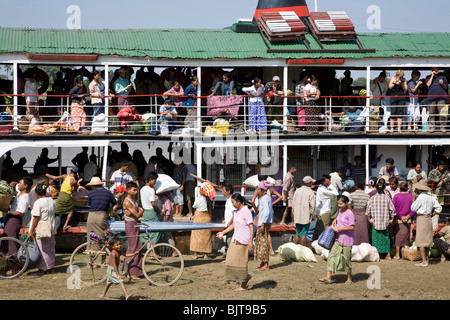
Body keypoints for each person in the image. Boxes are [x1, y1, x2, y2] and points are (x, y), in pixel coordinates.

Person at [216, 193, 253, 291]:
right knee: (230, 259)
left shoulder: (246, 211)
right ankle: (245, 276)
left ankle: (243, 285)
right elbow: (233, 225)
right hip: (235, 238)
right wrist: (223, 232)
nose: (232, 204)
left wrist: (250, 242)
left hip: (244, 240)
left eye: (233, 202)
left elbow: (251, 227)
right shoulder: (236, 211)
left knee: (241, 263)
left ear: (239, 202)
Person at [319, 195, 355, 285]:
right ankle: (328, 277)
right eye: (338, 204)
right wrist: (335, 220)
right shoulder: (340, 211)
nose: (339, 205)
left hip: (347, 239)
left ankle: (349, 278)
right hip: (337, 238)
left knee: (346, 259)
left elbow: (352, 227)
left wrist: (339, 229)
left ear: (346, 203)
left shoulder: (350, 213)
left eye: (341, 204)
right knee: (331, 255)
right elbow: (339, 218)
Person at [2, 176, 32, 275]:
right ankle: (15, 264)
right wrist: (13, 183)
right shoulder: (20, 193)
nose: (19, 184)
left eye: (20, 183)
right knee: (8, 240)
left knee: (11, 242)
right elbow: (13, 185)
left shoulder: (25, 197)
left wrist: (8, 211)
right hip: (10, 219)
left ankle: (15, 267)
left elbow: (20, 213)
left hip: (15, 220)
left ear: (26, 186)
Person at [27, 183, 57, 275]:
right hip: (51, 227)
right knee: (50, 249)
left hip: (42, 228)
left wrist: (31, 231)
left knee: (41, 249)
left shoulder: (38, 202)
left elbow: (36, 218)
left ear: (36, 193)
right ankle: (50, 268)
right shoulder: (51, 200)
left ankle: (42, 269)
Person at [411, 179, 442, 267]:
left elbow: (413, 208)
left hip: (421, 218)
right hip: (428, 218)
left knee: (421, 240)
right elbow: (439, 208)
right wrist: (433, 214)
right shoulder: (431, 197)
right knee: (427, 240)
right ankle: (426, 259)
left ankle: (424, 261)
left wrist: (414, 198)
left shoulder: (420, 197)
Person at [366, 181, 396, 259]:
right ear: (384, 188)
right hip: (385, 222)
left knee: (375, 239)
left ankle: (376, 255)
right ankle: (388, 255)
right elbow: (392, 210)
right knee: (386, 239)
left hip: (375, 222)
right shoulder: (387, 198)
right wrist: (392, 219)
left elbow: (367, 211)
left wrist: (369, 219)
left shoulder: (372, 198)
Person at [86, 177, 117, 251]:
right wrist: (108, 212)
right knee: (101, 236)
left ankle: (92, 256)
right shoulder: (108, 193)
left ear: (93, 186)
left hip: (91, 216)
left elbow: (89, 205)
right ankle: (102, 256)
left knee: (91, 236)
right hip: (102, 215)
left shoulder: (90, 193)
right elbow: (115, 205)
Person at [122, 181, 144, 279]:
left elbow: (138, 213)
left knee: (137, 247)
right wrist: (140, 211)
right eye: (134, 190)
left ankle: (136, 271)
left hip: (135, 224)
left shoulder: (134, 200)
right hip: (131, 225)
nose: (136, 191)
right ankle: (130, 272)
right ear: (128, 190)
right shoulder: (127, 201)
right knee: (133, 248)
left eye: (136, 189)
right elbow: (137, 214)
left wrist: (139, 211)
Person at [190, 182, 214, 259]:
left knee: (196, 235)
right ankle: (205, 254)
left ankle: (195, 254)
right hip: (207, 218)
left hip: (198, 217)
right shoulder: (210, 200)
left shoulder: (199, 199)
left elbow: (194, 206)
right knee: (206, 236)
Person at [392, 181, 415, 259]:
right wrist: (408, 216)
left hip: (399, 220)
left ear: (399, 188)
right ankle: (405, 253)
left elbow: (394, 208)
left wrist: (400, 216)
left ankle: (398, 254)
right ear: (407, 188)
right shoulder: (411, 196)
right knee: (406, 236)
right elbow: (414, 209)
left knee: (398, 236)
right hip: (408, 220)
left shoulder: (396, 196)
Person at [254, 180, 274, 271]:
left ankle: (266, 264)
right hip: (263, 222)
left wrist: (262, 224)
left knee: (263, 243)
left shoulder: (265, 198)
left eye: (258, 189)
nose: (257, 190)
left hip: (264, 223)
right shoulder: (264, 198)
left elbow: (266, 212)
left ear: (262, 190)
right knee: (260, 242)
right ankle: (262, 262)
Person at [292, 176, 316, 247]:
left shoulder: (297, 191)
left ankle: (295, 249)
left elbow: (293, 204)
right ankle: (303, 250)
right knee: (303, 234)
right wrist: (313, 215)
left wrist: (294, 214)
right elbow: (313, 206)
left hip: (297, 215)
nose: (312, 184)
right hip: (306, 215)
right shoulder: (310, 192)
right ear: (308, 183)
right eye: (311, 182)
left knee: (297, 233)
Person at [140, 172, 163, 245]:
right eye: (154, 181)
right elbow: (153, 203)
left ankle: (139, 250)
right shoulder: (151, 190)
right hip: (151, 212)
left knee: (146, 230)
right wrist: (160, 212)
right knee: (155, 231)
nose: (155, 182)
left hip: (145, 212)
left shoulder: (142, 189)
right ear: (150, 180)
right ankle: (152, 252)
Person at [314, 175, 339, 240]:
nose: (330, 182)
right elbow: (336, 193)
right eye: (329, 180)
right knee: (324, 232)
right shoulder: (323, 191)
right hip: (324, 212)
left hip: (321, 212)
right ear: (325, 181)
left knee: (317, 231)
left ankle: (313, 247)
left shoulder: (321, 188)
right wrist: (331, 185)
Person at [426, 68, 448, 133]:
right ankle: (432, 127)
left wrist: (442, 83)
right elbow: (428, 84)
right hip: (431, 98)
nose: (436, 71)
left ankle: (443, 127)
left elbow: (445, 87)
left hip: (441, 97)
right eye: (434, 69)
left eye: (437, 69)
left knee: (442, 113)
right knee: (431, 113)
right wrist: (432, 76)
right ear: (432, 70)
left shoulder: (442, 77)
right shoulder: (428, 77)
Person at [349, 180, 370, 246]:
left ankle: (354, 244)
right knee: (364, 230)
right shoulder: (367, 196)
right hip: (364, 213)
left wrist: (351, 211)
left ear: (356, 186)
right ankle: (364, 245)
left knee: (355, 230)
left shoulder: (352, 195)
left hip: (354, 212)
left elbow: (349, 204)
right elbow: (368, 206)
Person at [388, 69, 408, 133]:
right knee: (393, 112)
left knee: (400, 112)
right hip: (393, 97)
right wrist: (395, 82)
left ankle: (399, 128)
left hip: (401, 98)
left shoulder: (404, 80)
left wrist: (402, 83)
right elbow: (390, 87)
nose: (400, 77)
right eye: (399, 76)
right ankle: (392, 128)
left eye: (401, 76)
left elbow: (405, 89)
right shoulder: (393, 78)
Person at [218, 185, 235, 255]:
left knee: (230, 241)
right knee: (228, 240)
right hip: (229, 224)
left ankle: (231, 258)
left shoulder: (232, 200)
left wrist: (230, 222)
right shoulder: (228, 200)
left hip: (232, 225)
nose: (222, 192)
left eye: (224, 190)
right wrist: (226, 220)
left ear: (228, 191)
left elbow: (235, 213)